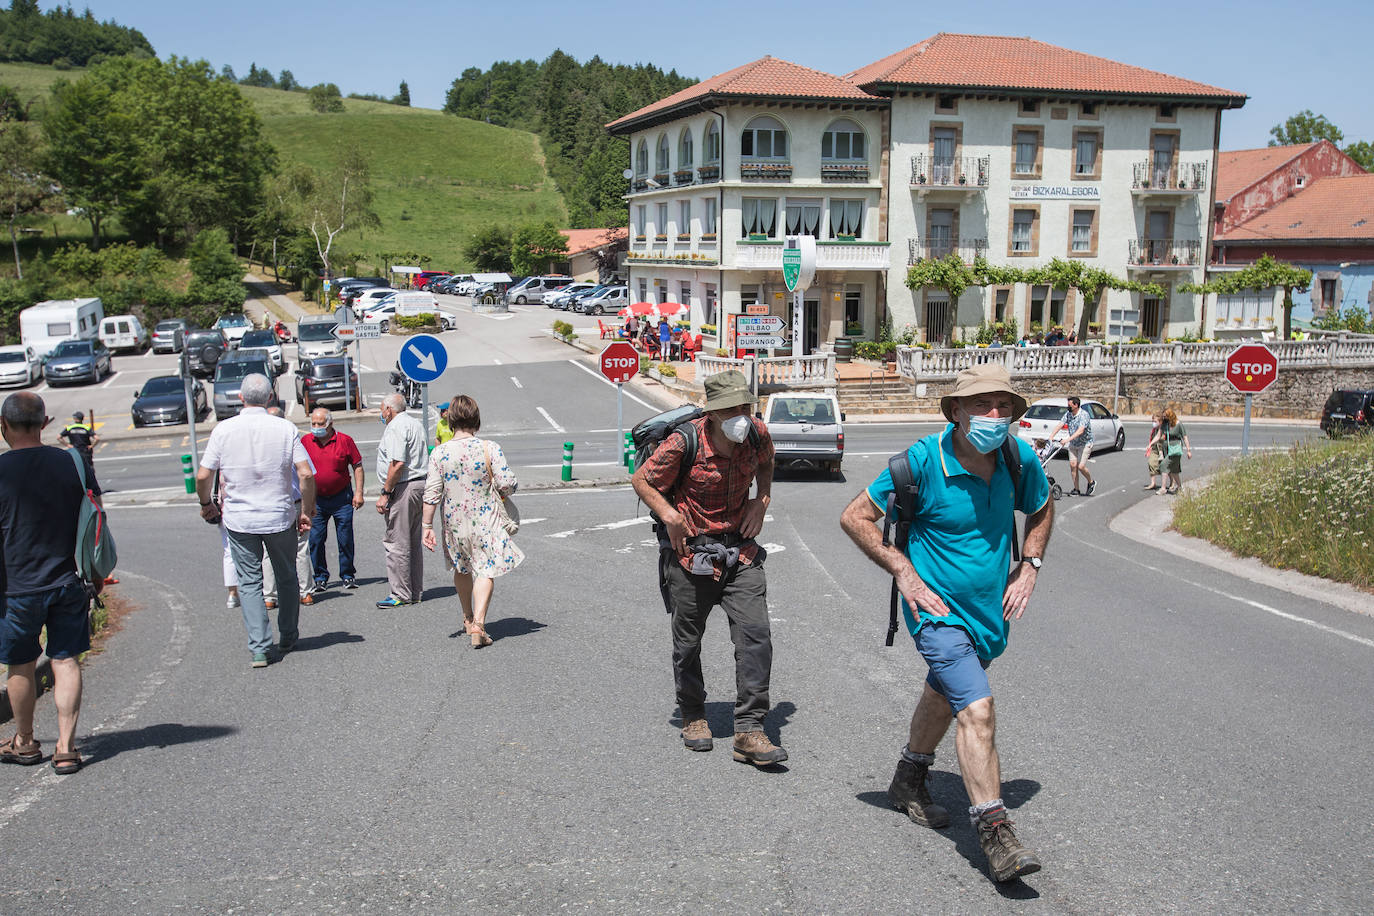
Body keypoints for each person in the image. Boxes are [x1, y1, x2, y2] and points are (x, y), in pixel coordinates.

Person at [839, 362, 1054, 884]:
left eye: (1003, 406)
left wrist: (1030, 566)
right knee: (976, 710)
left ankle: (909, 778)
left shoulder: (1017, 457)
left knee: (944, 693)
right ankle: (994, 831)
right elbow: (854, 517)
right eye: (981, 405)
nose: (994, 414)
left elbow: (1042, 509)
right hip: (935, 614)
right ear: (956, 411)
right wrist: (904, 573)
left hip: (988, 616)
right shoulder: (920, 463)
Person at [631, 370, 786, 767]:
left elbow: (767, 464)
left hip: (741, 552)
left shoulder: (756, 434)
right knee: (688, 643)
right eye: (732, 408)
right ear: (713, 412)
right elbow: (643, 481)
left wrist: (761, 501)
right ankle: (693, 714)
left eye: (746, 406)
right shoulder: (685, 442)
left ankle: (749, 729)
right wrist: (669, 515)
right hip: (690, 557)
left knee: (756, 636)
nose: (742, 415)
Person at [0, 392, 94, 774]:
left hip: (15, 588)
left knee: (20, 666)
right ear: (44, 423)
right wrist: (95, 572)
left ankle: (24, 742)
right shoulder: (71, 462)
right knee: (65, 659)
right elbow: (93, 520)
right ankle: (66, 748)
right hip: (67, 578)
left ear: (3, 426)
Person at [196, 374, 314, 668]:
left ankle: (260, 647)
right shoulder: (285, 428)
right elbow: (306, 473)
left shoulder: (223, 431)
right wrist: (306, 511)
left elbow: (203, 475)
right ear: (271, 397)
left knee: (249, 582)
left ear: (240, 398)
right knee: (287, 576)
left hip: (240, 520)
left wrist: (206, 504)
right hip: (279, 515)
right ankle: (288, 634)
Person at [421, 396, 523, 647]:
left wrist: (426, 526)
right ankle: (479, 624)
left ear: (451, 420)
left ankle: (467, 618)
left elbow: (432, 492)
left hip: (454, 521)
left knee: (462, 566)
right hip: (485, 518)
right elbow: (507, 483)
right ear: (476, 419)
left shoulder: (440, 453)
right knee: (486, 568)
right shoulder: (489, 448)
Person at [375, 392, 428, 607]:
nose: (382, 414)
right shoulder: (414, 423)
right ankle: (414, 590)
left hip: (404, 486)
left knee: (396, 541)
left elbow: (397, 463)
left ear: (389, 409)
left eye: (382, 410)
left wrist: (385, 493)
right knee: (412, 542)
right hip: (420, 485)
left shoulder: (396, 426)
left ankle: (400, 593)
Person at [302, 407, 364, 592]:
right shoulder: (305, 441)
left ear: (330, 424)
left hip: (341, 497)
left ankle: (347, 575)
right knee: (316, 539)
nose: (316, 427)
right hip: (316, 500)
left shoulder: (344, 441)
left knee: (345, 538)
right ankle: (320, 577)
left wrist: (358, 493)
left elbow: (357, 466)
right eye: (313, 423)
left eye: (320, 424)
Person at [262, 406, 317, 609]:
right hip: (294, 502)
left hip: (270, 504)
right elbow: (308, 475)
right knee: (301, 549)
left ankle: (270, 596)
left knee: (269, 551)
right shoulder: (291, 440)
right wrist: (309, 506)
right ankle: (305, 593)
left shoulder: (263, 446)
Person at [58, 411, 101, 506]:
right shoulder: (86, 428)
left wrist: (68, 445)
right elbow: (97, 438)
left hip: (75, 452)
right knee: (89, 470)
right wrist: (91, 446)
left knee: (77, 470)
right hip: (85, 452)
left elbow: (59, 437)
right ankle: (91, 489)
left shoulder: (70, 428)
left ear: (75, 419)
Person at [1060, 396, 1095, 496]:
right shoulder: (1068, 414)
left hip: (1085, 444)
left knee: (1081, 466)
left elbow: (1080, 431)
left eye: (1069, 405)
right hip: (1073, 444)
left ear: (1076, 405)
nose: (1068, 407)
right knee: (1073, 465)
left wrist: (1067, 440)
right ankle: (1076, 489)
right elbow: (1060, 424)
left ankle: (1091, 481)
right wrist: (1051, 436)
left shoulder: (1084, 415)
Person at [1153, 407, 1192, 494]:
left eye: (1166, 416)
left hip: (1175, 449)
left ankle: (1163, 488)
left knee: (1163, 465)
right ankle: (1180, 488)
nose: (1164, 418)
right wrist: (1150, 444)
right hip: (1167, 448)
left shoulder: (1178, 424)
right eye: (1164, 417)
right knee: (1174, 471)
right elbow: (1158, 435)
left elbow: (1185, 437)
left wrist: (1188, 450)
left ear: (1170, 416)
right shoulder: (1165, 424)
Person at [1143, 413, 1164, 490]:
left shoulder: (1164, 429)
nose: (1153, 423)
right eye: (1152, 421)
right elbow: (1152, 438)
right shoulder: (1154, 430)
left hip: (1162, 450)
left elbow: (1161, 438)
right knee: (1151, 463)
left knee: (1165, 467)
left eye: (1155, 421)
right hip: (1155, 449)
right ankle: (1153, 483)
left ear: (1160, 421)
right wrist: (1150, 445)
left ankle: (1172, 483)